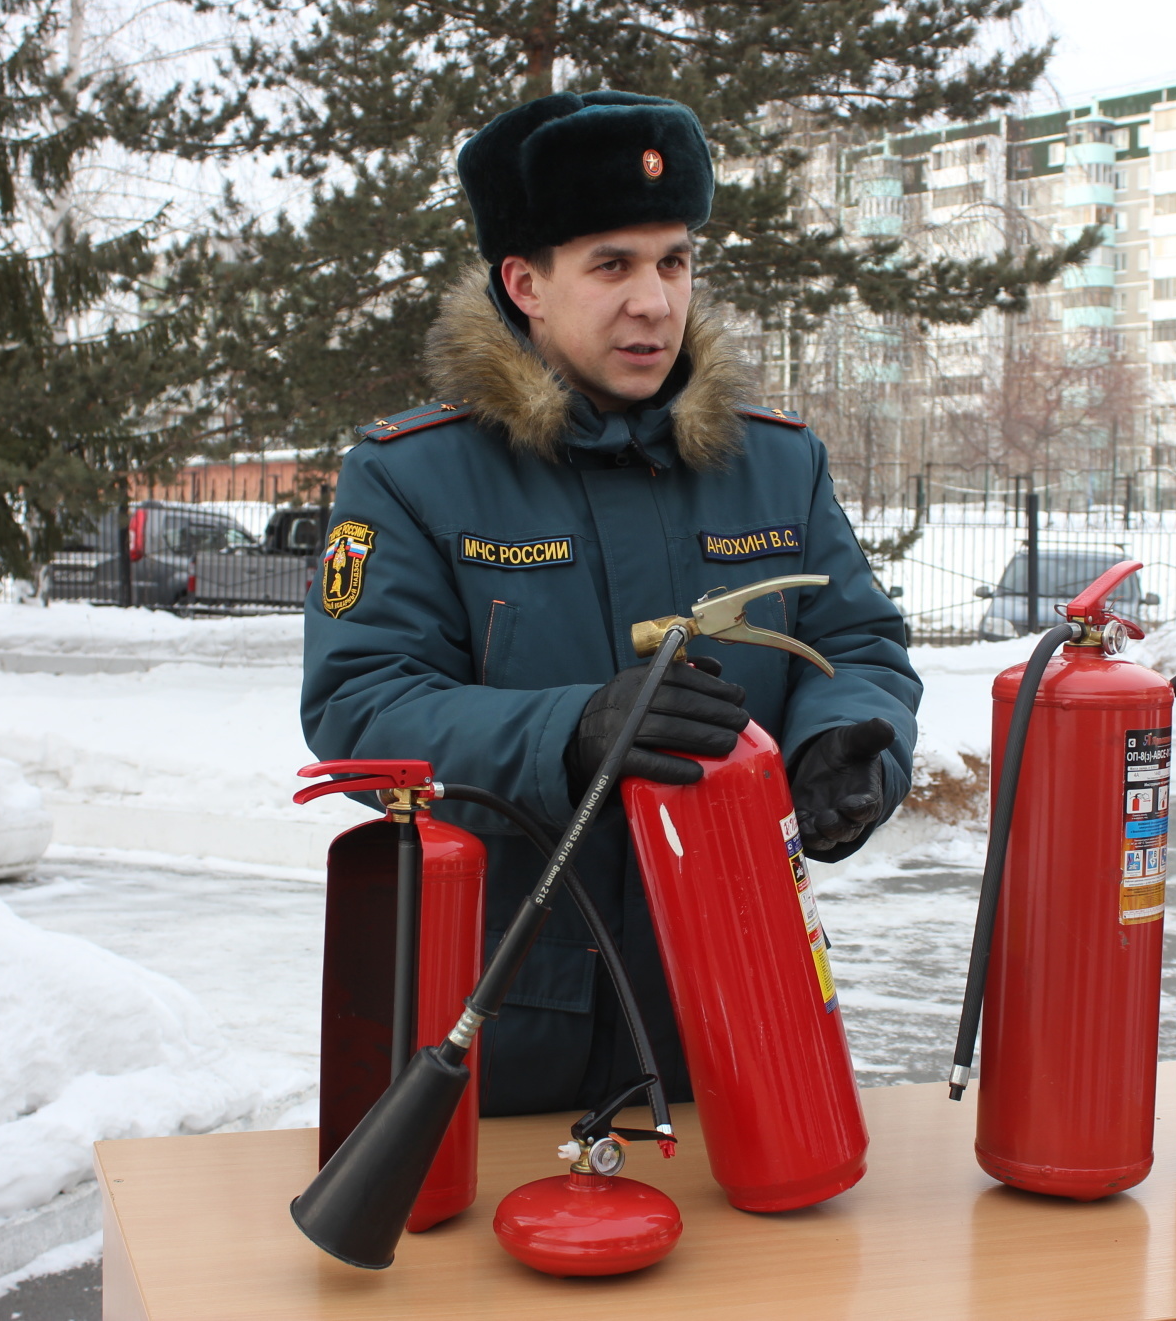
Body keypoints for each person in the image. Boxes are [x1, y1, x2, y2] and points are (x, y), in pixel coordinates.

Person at [301, 90, 921, 1116]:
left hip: (738, 1024)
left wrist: (847, 741)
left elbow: (855, 642)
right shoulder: (411, 476)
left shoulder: (775, 463)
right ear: (524, 283)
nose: (653, 301)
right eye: (611, 264)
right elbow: (360, 714)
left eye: (673, 261)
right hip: (500, 1033)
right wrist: (570, 730)